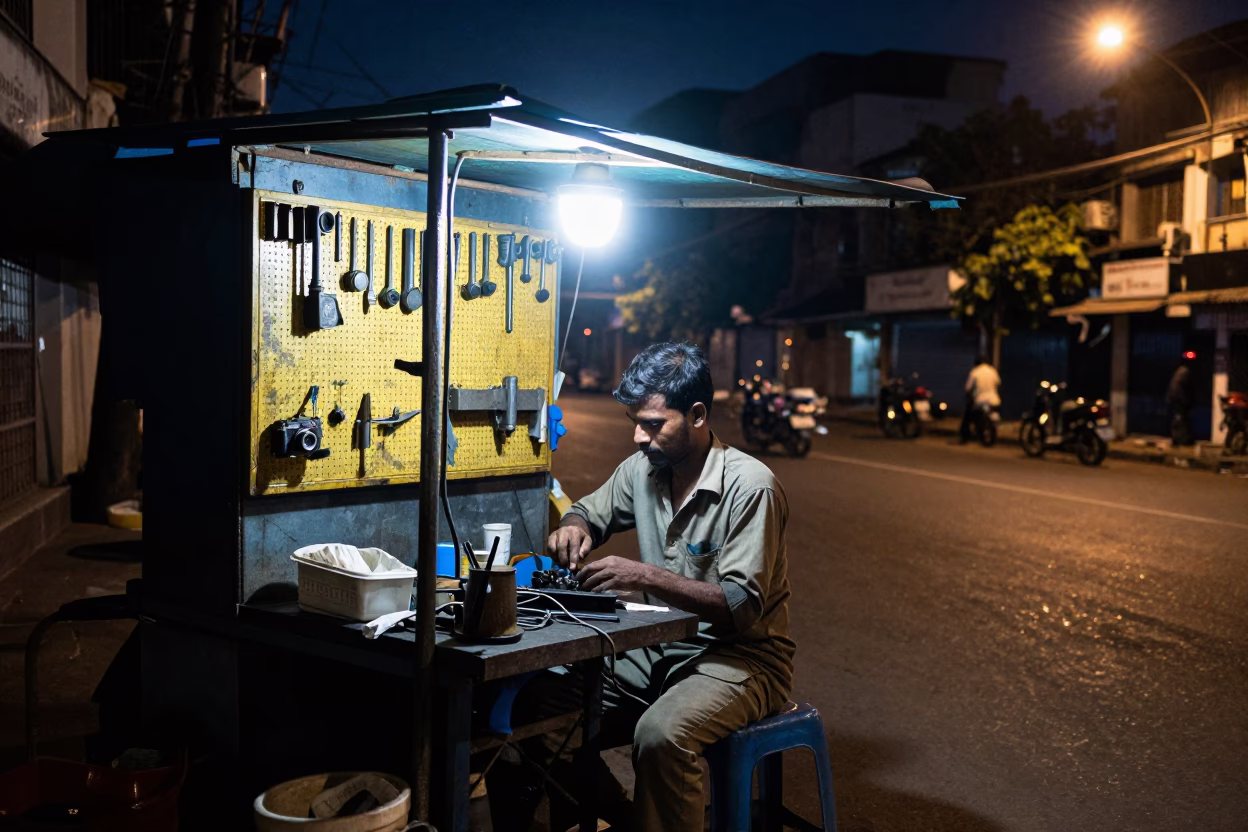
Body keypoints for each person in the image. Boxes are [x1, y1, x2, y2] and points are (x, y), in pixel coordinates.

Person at [539, 342, 794, 831]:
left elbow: (739, 607)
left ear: (697, 415)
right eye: (636, 421)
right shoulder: (645, 470)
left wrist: (644, 575)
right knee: (547, 710)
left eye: (654, 424)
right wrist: (575, 526)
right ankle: (628, 819)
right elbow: (589, 510)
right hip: (659, 649)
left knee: (661, 735)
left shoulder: (751, 487)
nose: (639, 436)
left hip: (741, 659)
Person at [959, 354, 1001, 444]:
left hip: (980, 400)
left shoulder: (975, 372)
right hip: (994, 400)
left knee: (967, 416)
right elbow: (998, 383)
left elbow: (968, 388)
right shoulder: (993, 371)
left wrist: (968, 395)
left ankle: (965, 437)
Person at [1167, 351, 1196, 446]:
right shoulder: (1185, 372)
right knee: (1180, 419)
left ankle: (1182, 439)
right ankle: (1178, 439)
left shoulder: (1181, 370)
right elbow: (1180, 388)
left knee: (1181, 419)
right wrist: (1184, 400)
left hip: (1178, 399)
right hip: (1179, 400)